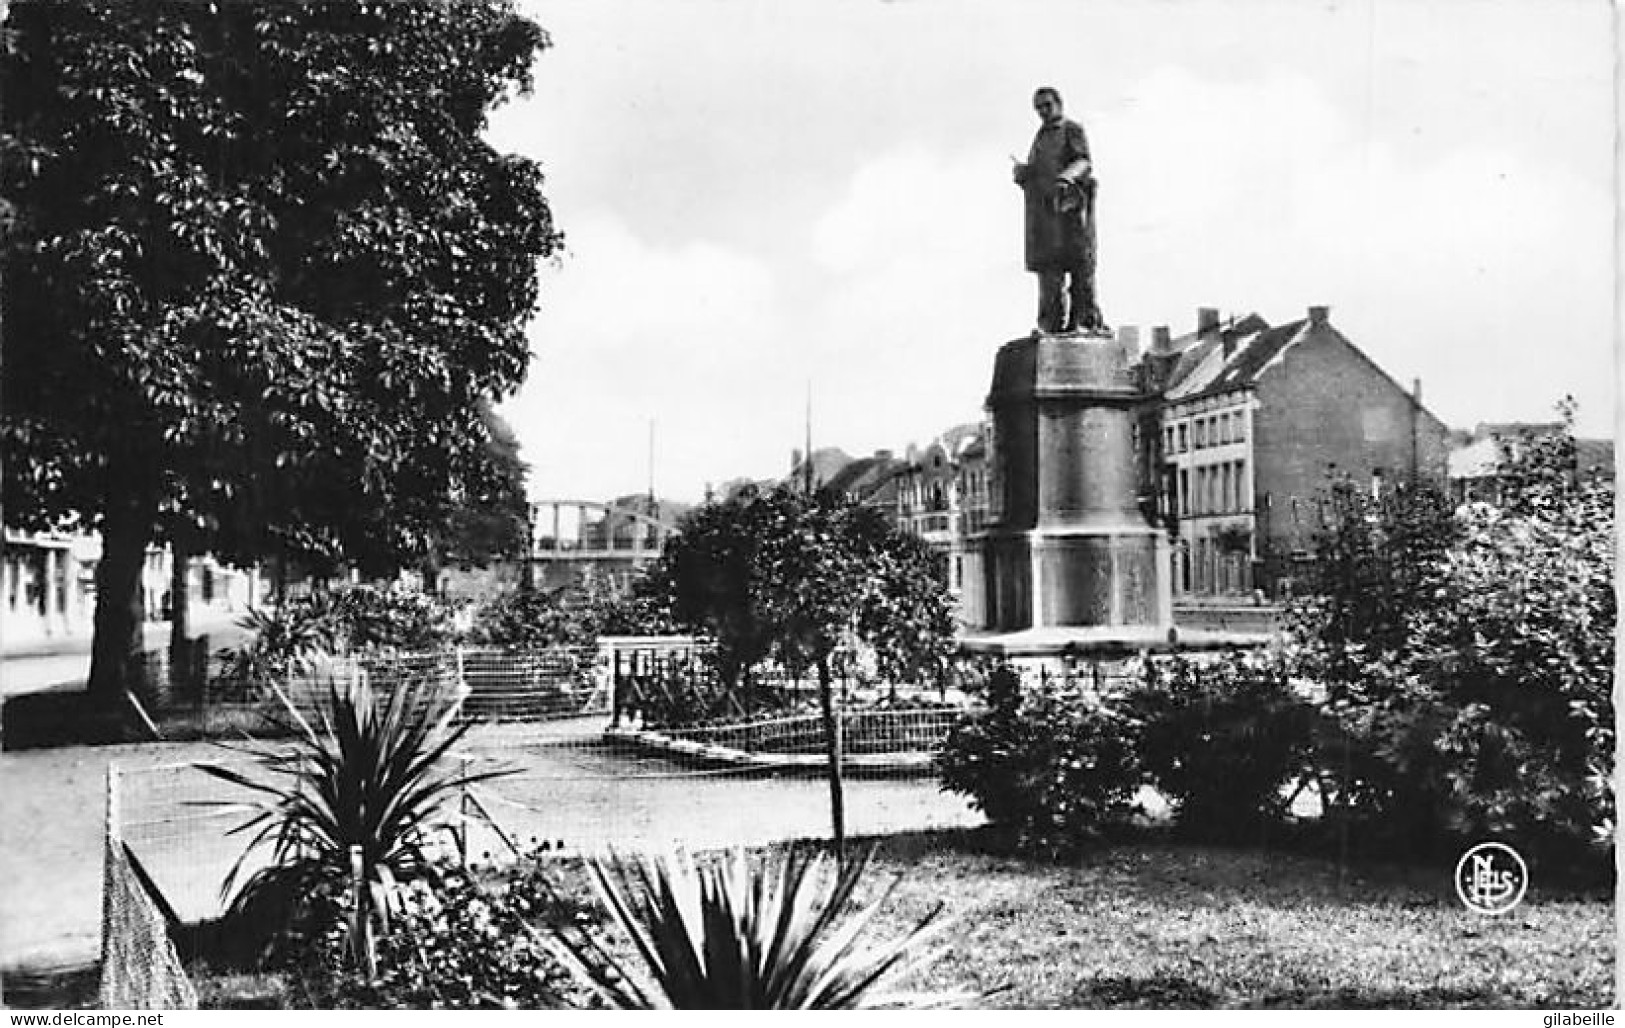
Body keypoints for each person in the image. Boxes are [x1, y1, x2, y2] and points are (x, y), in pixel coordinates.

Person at [1012, 86, 1105, 334]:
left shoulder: (1071, 129)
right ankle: (1050, 325)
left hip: (1068, 213)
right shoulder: (1041, 137)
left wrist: (1067, 178)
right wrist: (1025, 174)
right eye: (1038, 108)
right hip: (1044, 217)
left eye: (1047, 105)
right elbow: (1040, 172)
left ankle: (1083, 321)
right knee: (1049, 274)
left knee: (1078, 270)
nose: (1043, 111)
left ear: (1059, 104)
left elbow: (1084, 161)